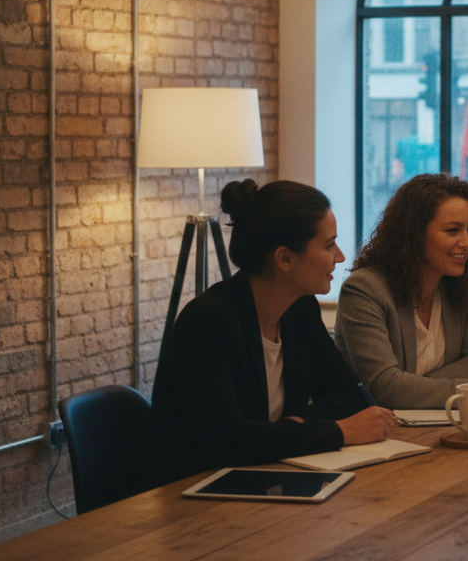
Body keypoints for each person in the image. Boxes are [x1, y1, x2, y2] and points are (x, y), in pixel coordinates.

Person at [151, 179, 398, 481]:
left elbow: (350, 396)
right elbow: (226, 442)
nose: (340, 257)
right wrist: (338, 431)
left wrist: (291, 427)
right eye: (328, 245)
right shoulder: (206, 323)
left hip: (269, 478)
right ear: (285, 258)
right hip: (195, 494)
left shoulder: (300, 309)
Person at [335, 174, 468, 408]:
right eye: (453, 230)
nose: (467, 242)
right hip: (378, 435)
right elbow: (385, 389)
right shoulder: (364, 290)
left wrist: (411, 385)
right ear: (413, 234)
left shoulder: (457, 284)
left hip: (441, 424)